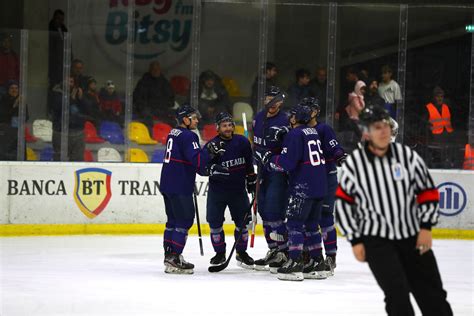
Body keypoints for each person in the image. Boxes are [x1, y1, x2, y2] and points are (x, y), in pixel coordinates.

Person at [335, 105, 452, 316]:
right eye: (377, 127)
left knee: (433, 296)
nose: (383, 132)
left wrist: (426, 227)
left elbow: (427, 192)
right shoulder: (356, 164)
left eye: (386, 127)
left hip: (413, 237)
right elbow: (343, 204)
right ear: (367, 132)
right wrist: (355, 239)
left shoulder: (407, 156)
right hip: (377, 241)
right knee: (397, 297)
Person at [256, 104, 327, 281]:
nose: (290, 118)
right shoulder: (312, 132)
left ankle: (295, 263)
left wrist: (270, 160)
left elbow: (287, 163)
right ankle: (318, 262)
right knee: (311, 225)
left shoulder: (295, 134)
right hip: (319, 185)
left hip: (303, 187)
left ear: (296, 118)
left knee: (294, 224)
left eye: (293, 116)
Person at [159, 104, 227, 274]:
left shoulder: (173, 133)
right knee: (184, 220)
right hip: (180, 183)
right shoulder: (189, 136)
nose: (197, 120)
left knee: (172, 221)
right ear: (185, 119)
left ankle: (169, 255)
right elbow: (197, 161)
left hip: (167, 182)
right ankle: (175, 257)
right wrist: (209, 153)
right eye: (194, 117)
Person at [202, 112, 256, 268]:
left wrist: (251, 177)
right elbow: (202, 168)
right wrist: (211, 165)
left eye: (230, 125)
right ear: (217, 128)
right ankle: (219, 253)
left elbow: (248, 164)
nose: (228, 128)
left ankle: (241, 252)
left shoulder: (242, 142)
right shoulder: (211, 145)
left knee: (243, 223)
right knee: (215, 223)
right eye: (224, 126)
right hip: (217, 192)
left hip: (238, 191)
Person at [304, 97, 346, 276]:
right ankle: (310, 254)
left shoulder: (323, 129)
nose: (307, 111)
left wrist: (340, 156)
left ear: (316, 111)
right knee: (306, 217)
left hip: (326, 177)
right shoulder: (300, 130)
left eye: (310, 109)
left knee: (325, 216)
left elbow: (334, 146)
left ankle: (330, 256)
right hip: (307, 179)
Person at [252, 85, 289, 272]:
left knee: (274, 211)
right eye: (267, 100)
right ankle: (273, 249)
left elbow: (292, 148)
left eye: (273, 100)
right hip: (262, 170)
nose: (270, 104)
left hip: (278, 172)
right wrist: (256, 157)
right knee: (264, 210)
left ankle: (284, 251)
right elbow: (255, 143)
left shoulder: (286, 120)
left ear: (280, 102)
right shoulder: (258, 117)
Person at [50, 76, 89, 161]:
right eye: (67, 81)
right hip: (61, 132)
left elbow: (87, 111)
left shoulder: (78, 93)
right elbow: (58, 108)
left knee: (77, 160)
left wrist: (81, 98)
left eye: (71, 81)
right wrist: (71, 99)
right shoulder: (56, 94)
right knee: (60, 160)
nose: (69, 84)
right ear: (62, 82)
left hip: (78, 132)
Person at [133, 61, 175, 130]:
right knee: (146, 116)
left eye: (157, 69)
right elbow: (137, 97)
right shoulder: (144, 81)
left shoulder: (164, 82)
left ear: (160, 70)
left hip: (161, 108)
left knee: (174, 116)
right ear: (150, 70)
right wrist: (142, 105)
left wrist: (164, 105)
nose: (155, 71)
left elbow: (171, 98)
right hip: (147, 108)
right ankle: (150, 133)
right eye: (153, 69)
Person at [423, 86, 454, 168]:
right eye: (437, 96)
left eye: (441, 96)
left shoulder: (447, 107)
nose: (440, 99)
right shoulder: (427, 108)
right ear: (433, 97)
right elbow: (423, 125)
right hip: (433, 140)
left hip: (446, 139)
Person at [48, 9, 68, 86]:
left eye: (62, 19)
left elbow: (68, 43)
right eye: (58, 19)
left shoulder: (64, 29)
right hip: (53, 61)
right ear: (54, 18)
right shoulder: (49, 29)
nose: (60, 21)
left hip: (62, 60)